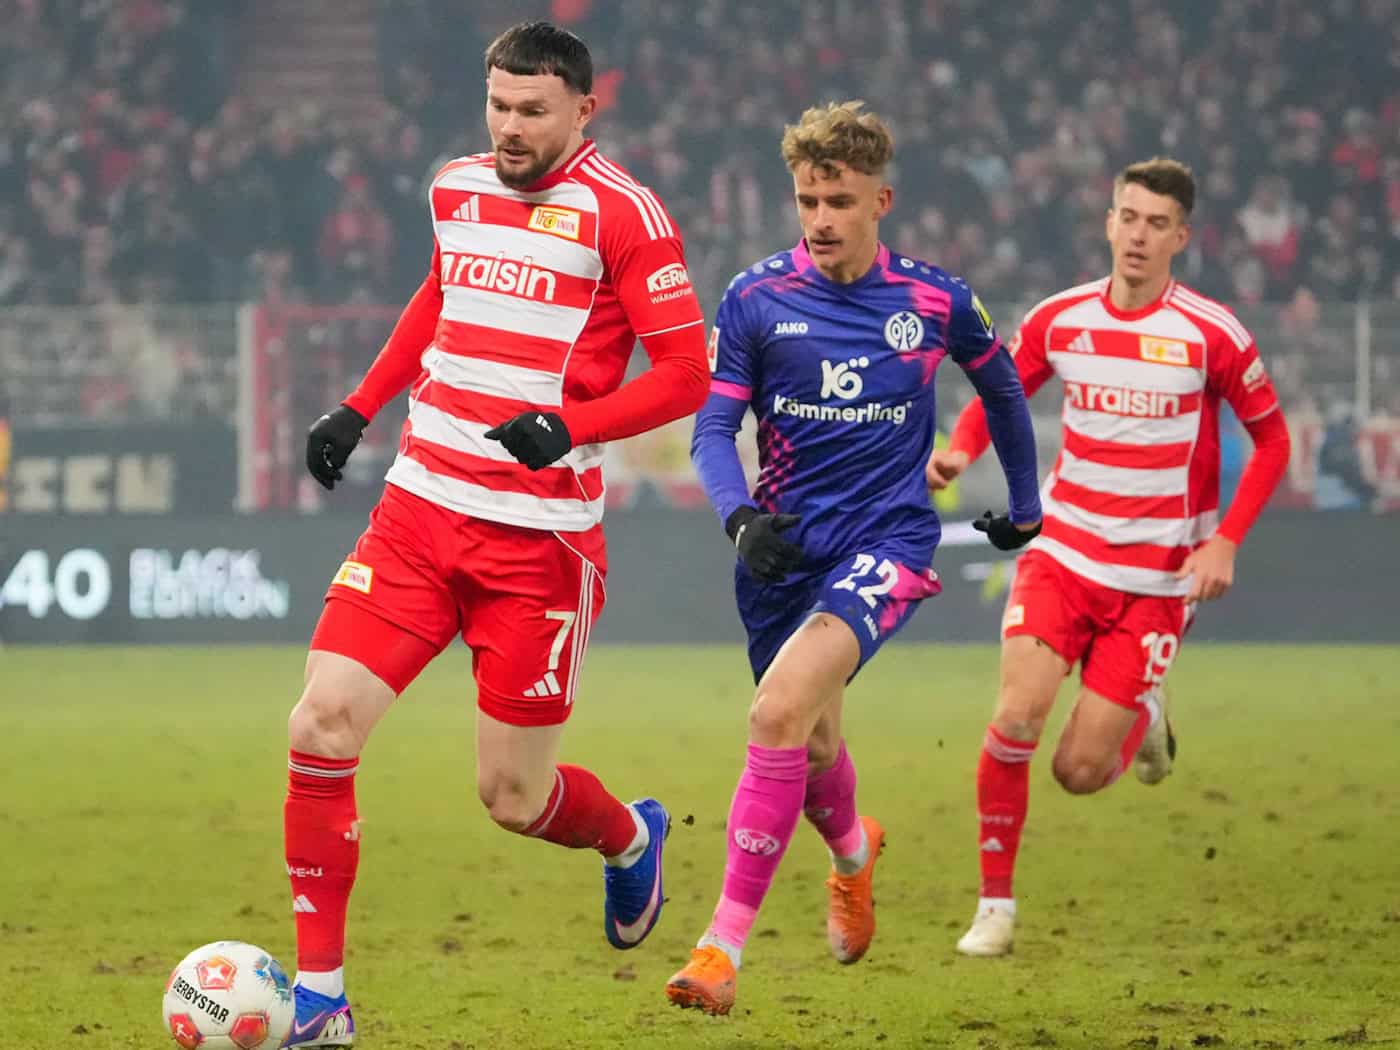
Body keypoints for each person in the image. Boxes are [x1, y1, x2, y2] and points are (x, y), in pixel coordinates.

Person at [281, 22, 709, 1047]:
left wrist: (572, 427)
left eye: (532, 111)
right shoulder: (456, 187)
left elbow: (686, 375)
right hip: (418, 513)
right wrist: (360, 404)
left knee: (513, 799)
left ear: (581, 110)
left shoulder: (627, 217)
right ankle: (319, 1000)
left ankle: (625, 835)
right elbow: (440, 294)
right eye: (497, 106)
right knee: (318, 726)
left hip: (536, 546)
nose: (509, 129)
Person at [667, 101, 1043, 1016]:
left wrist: (1025, 505)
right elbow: (714, 426)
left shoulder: (936, 299)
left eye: (838, 199)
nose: (821, 218)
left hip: (886, 543)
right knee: (813, 738)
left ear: (882, 199)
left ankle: (720, 952)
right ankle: (853, 853)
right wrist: (738, 517)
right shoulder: (757, 297)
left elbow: (1003, 385)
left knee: (776, 712)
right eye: (807, 199)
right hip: (779, 551)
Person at [927, 158, 1293, 958]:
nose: (1138, 234)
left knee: (1080, 772)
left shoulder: (1212, 333)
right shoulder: (1062, 318)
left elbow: (1273, 440)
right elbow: (1004, 392)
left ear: (1181, 238)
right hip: (1061, 553)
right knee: (1014, 718)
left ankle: (1146, 714)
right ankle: (995, 907)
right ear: (1108, 221)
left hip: (1158, 582)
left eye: (1156, 223)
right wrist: (959, 450)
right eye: (1128, 217)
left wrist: (1226, 539)